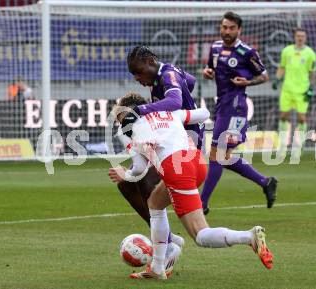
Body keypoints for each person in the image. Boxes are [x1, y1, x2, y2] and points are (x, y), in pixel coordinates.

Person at [109, 93, 273, 280]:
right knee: (155, 204)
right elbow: (203, 113)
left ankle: (249, 237)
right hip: (197, 161)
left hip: (177, 169)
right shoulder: (168, 113)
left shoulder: (129, 129)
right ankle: (156, 268)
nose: (120, 122)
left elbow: (138, 169)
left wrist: (125, 174)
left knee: (200, 235)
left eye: (120, 117)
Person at [110, 46, 202, 275]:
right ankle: (167, 244)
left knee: (135, 181)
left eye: (138, 72)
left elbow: (175, 100)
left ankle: (168, 244)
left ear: (150, 62)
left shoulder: (166, 76)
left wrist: (142, 110)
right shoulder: (164, 79)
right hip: (178, 147)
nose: (137, 78)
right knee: (134, 185)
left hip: (184, 151)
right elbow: (190, 80)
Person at [201, 11, 277, 215]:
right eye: (224, 27)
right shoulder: (215, 48)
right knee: (223, 156)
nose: (227, 31)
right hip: (222, 105)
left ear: (239, 30)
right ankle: (265, 182)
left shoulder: (247, 52)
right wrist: (207, 72)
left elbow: (264, 76)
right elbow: (210, 69)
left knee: (216, 154)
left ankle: (202, 204)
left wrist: (248, 82)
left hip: (236, 107)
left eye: (231, 28)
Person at [272, 27, 316, 159]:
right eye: (298, 36)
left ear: (305, 38)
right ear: (294, 37)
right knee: (283, 116)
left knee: (301, 118)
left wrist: (311, 88)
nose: (300, 38)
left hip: (302, 90)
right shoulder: (287, 51)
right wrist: (277, 79)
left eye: (302, 36)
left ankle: (298, 146)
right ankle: (282, 147)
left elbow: (312, 73)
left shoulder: (310, 54)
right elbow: (281, 67)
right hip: (287, 89)